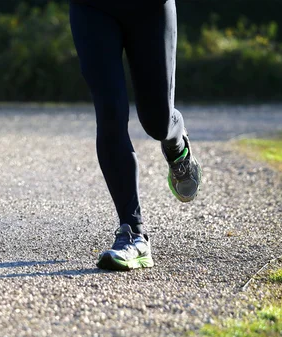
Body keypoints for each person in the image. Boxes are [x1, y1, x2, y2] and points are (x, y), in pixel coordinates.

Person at [69, 0, 202, 271]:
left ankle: (177, 144)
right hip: (93, 7)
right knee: (110, 112)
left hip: (150, 9)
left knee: (157, 122)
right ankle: (133, 232)